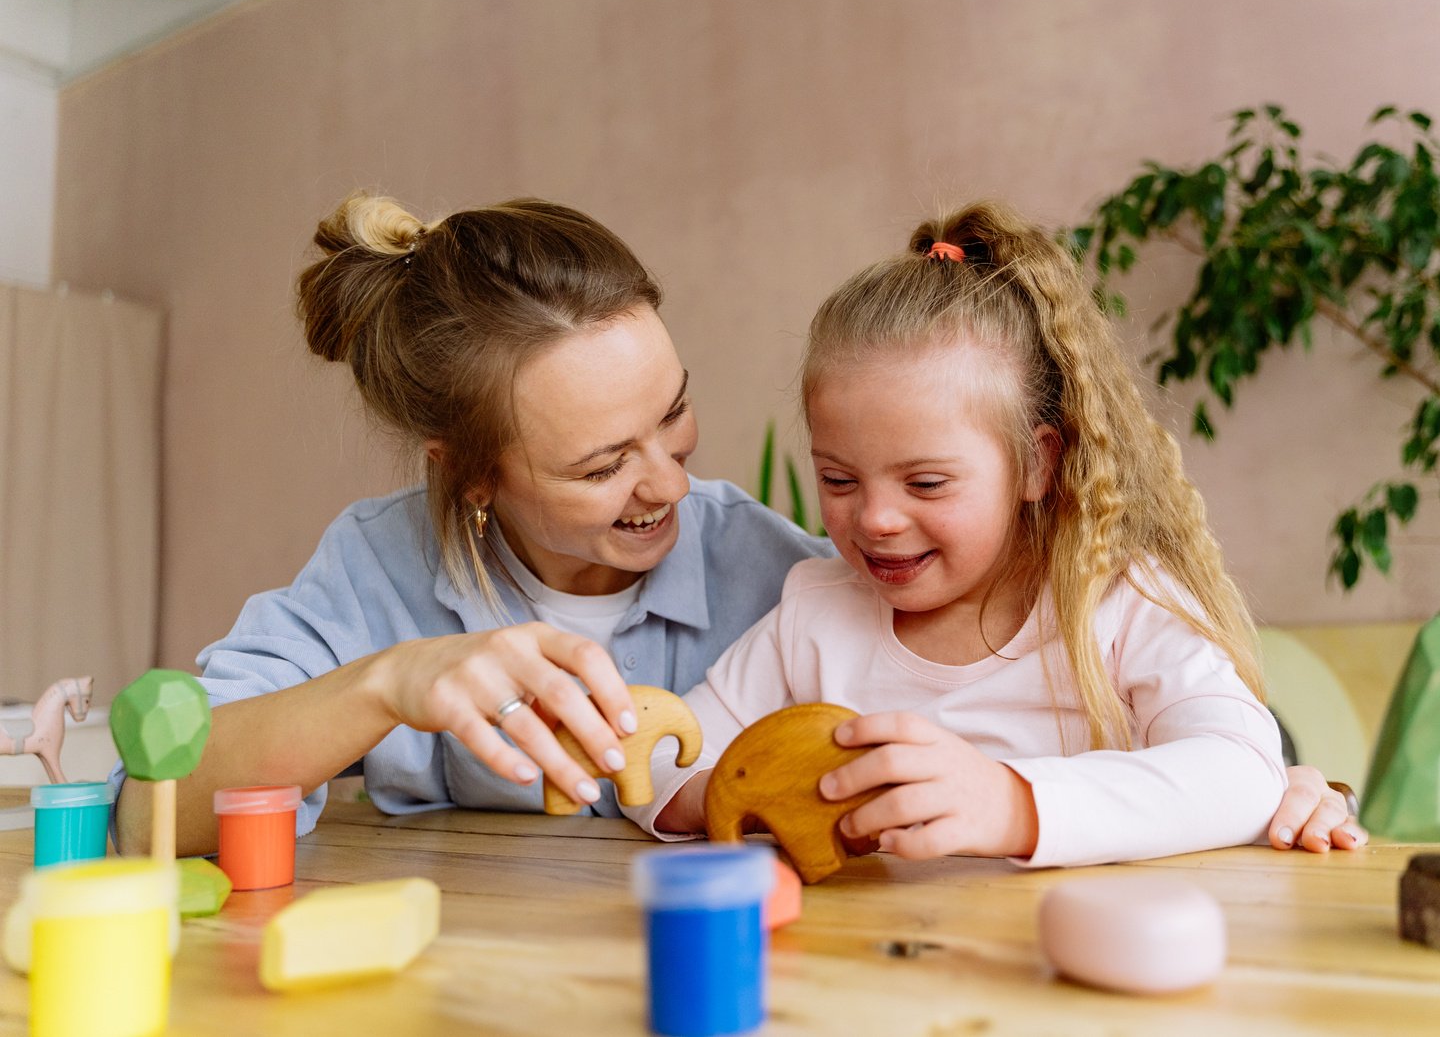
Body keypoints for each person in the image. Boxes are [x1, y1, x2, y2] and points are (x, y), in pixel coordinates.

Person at [111, 192, 1364, 858]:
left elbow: (1204, 743)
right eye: (605, 461)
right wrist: (393, 683)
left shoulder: (782, 572)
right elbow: (145, 809)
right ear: (474, 474)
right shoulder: (380, 569)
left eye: (676, 415)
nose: (665, 482)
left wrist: (1250, 783)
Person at [641, 202, 1344, 866]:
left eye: (926, 484)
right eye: (839, 480)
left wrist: (1013, 804)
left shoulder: (1118, 601)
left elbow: (1242, 771)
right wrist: (747, 796)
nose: (876, 518)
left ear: (1036, 462)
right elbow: (662, 760)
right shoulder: (817, 611)